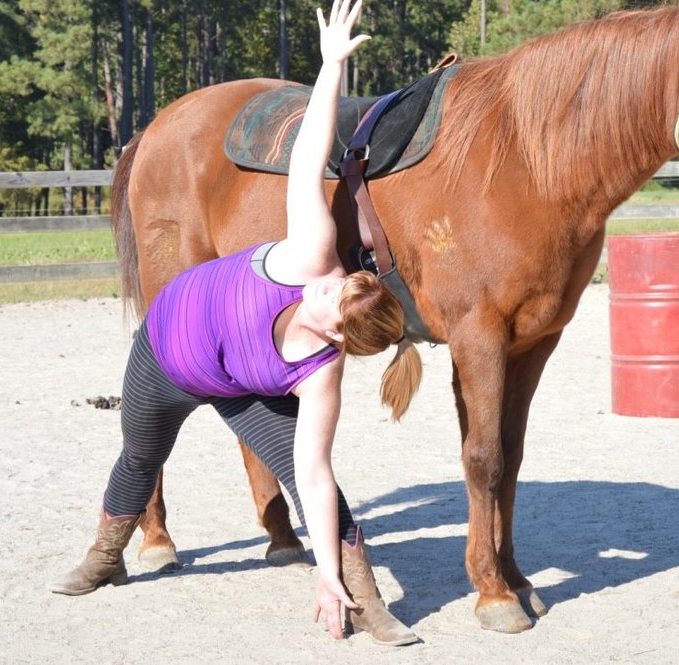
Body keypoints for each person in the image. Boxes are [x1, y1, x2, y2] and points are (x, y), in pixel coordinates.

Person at [51, 0, 422, 647]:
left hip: (237, 387)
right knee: (139, 456)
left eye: (333, 298)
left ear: (337, 336)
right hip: (162, 358)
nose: (327, 282)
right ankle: (106, 555)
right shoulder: (311, 253)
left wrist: (326, 575)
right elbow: (308, 155)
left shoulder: (320, 374)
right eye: (341, 281)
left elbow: (314, 474)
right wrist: (331, 66)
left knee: (314, 480)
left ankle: (364, 598)